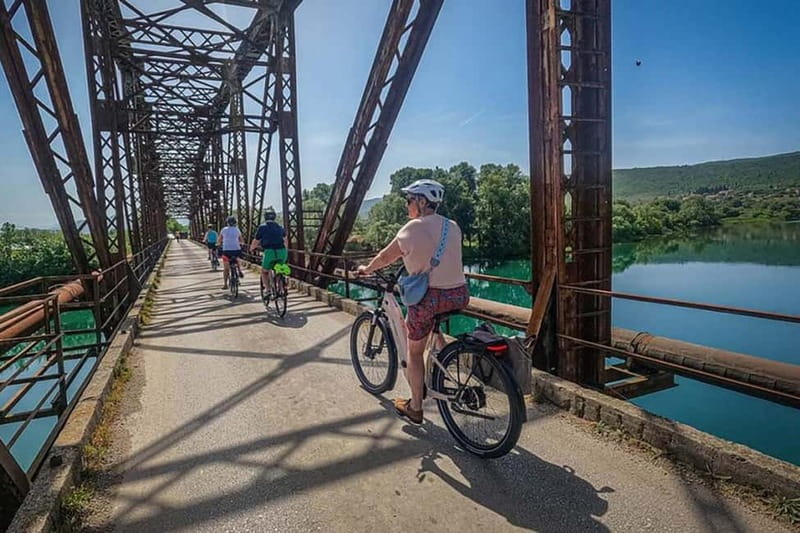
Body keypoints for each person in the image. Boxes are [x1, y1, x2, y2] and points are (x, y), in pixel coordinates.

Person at [357, 179, 469, 425]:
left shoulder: (411, 229)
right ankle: (442, 356)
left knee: (414, 352)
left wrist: (366, 269)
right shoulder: (453, 226)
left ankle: (415, 407)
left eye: (409, 200)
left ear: (421, 202)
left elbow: (386, 257)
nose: (407, 205)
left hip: (430, 299)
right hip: (459, 294)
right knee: (433, 323)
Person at [250, 208, 288, 298]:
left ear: (265, 217)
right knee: (279, 270)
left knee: (264, 272)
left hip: (269, 252)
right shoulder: (280, 227)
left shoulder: (262, 227)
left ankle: (267, 290)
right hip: (282, 252)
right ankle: (281, 289)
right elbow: (285, 241)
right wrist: (286, 250)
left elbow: (256, 241)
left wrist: (251, 249)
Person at [218, 216, 244, 289]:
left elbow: (219, 240)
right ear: (235, 223)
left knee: (226, 268)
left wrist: (218, 244)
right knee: (237, 259)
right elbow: (241, 240)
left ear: (227, 223)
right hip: (236, 250)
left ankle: (225, 285)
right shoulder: (237, 230)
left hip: (226, 251)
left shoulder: (224, 230)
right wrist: (242, 244)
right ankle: (239, 270)